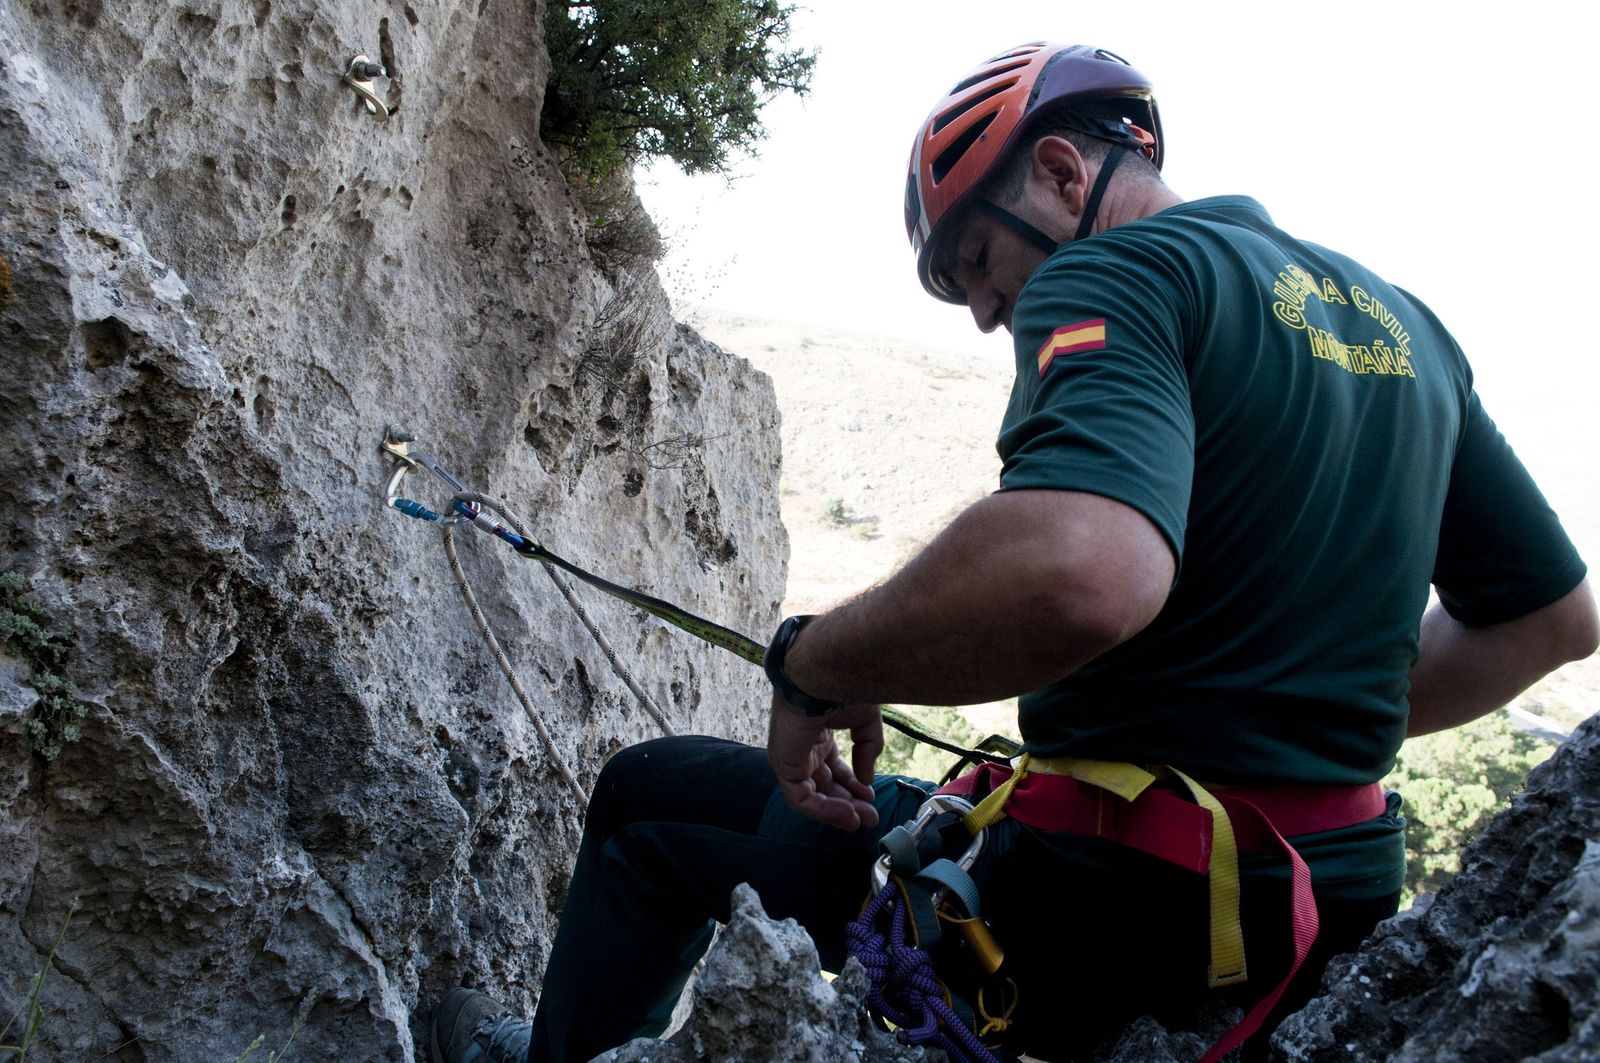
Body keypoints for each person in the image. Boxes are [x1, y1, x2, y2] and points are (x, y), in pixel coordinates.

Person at [428, 42, 1598, 1063]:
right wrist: (1304, 712)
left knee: (650, 801)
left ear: (1057, 171)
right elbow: (1550, 618)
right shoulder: (1402, 324)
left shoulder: (1119, 272)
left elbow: (1084, 569)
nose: (985, 312)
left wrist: (814, 664)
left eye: (976, 263)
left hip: (1113, 913)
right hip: (1326, 899)